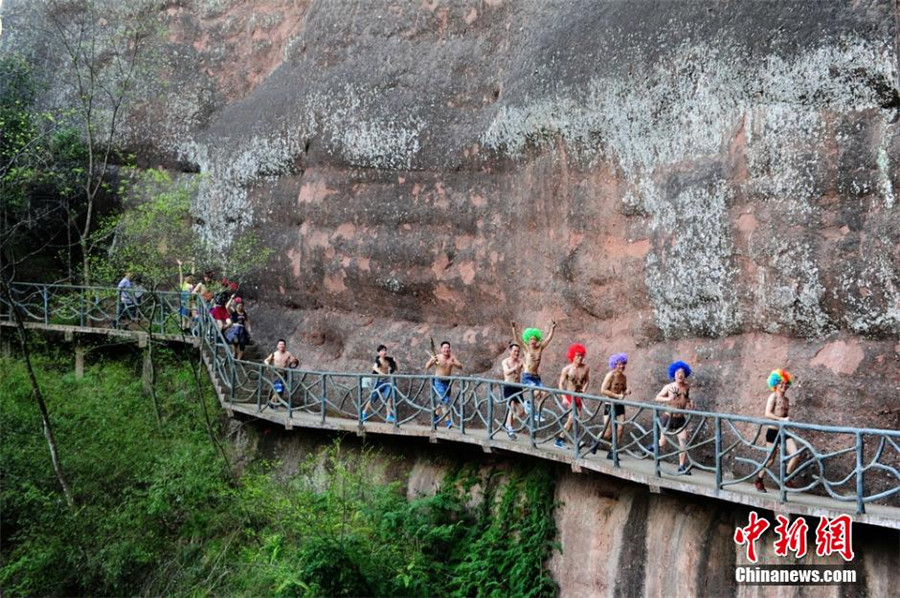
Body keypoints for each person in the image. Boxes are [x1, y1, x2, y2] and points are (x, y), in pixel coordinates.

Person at [755, 369, 801, 493]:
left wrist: (786, 421)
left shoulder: (786, 400)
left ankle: (786, 478)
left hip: (784, 432)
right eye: (781, 383)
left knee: (796, 455)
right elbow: (767, 414)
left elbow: (785, 415)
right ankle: (759, 480)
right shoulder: (773, 397)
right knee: (770, 460)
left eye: (786, 383)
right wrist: (782, 419)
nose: (783, 386)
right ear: (775, 384)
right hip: (773, 432)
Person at [510, 320, 557, 419]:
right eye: (531, 339)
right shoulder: (527, 348)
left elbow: (548, 339)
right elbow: (517, 339)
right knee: (536, 392)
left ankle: (537, 413)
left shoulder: (540, 348)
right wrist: (514, 328)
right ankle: (527, 403)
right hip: (527, 376)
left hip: (536, 377)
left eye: (534, 339)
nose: (533, 341)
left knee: (544, 394)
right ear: (528, 339)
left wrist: (552, 329)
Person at [655, 360, 694, 475]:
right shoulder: (669, 387)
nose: (680, 375)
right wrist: (668, 399)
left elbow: (686, 398)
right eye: (677, 373)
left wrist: (690, 402)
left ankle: (681, 466)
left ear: (685, 374)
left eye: (682, 373)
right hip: (668, 418)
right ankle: (651, 447)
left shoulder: (687, 387)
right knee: (662, 442)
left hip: (680, 419)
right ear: (674, 375)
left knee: (683, 443)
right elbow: (657, 397)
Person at [593, 353, 632, 459]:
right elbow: (603, 390)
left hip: (619, 405)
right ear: (615, 364)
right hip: (609, 404)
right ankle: (596, 441)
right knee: (608, 432)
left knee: (620, 428)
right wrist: (616, 395)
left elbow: (624, 388)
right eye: (619, 364)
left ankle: (613, 452)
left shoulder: (623, 377)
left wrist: (627, 391)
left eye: (623, 364)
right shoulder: (610, 375)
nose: (622, 366)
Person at [555, 343, 590, 448]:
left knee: (575, 418)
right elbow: (560, 384)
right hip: (570, 395)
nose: (580, 358)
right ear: (572, 356)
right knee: (575, 417)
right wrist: (563, 397)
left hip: (578, 395)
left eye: (581, 355)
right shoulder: (567, 369)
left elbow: (587, 381)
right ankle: (576, 441)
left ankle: (561, 439)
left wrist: (584, 390)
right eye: (577, 355)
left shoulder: (585, 368)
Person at [424, 341, 463, 428]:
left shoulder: (452, 358)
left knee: (442, 401)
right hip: (438, 381)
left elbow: (461, 366)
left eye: (448, 348)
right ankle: (448, 422)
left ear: (450, 349)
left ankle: (436, 416)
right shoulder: (437, 357)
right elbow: (426, 366)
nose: (446, 349)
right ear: (441, 349)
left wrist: (454, 363)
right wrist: (432, 362)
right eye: (444, 348)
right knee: (444, 401)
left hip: (447, 382)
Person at [361, 344, 399, 423]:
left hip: (386, 382)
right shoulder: (378, 360)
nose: (384, 352)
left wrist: (396, 362)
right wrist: (381, 373)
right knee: (372, 399)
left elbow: (397, 368)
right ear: (379, 353)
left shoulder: (389, 360)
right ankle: (364, 412)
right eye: (382, 350)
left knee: (389, 397)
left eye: (385, 350)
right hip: (377, 382)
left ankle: (388, 416)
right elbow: (374, 367)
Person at [501, 342, 526, 440]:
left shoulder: (520, 361)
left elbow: (527, 369)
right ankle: (510, 429)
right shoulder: (505, 361)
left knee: (521, 412)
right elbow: (506, 372)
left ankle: (508, 424)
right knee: (511, 407)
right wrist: (516, 367)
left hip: (518, 387)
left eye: (518, 351)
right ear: (510, 351)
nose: (516, 353)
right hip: (509, 386)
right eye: (514, 351)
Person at [176, 259, 195, 332]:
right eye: (188, 277)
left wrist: (193, 263)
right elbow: (180, 275)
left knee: (190, 316)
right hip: (185, 301)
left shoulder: (192, 284)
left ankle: (187, 328)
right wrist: (180, 266)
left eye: (190, 277)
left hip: (191, 301)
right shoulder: (183, 284)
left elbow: (193, 273)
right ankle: (184, 327)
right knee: (184, 314)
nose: (190, 278)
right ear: (185, 278)